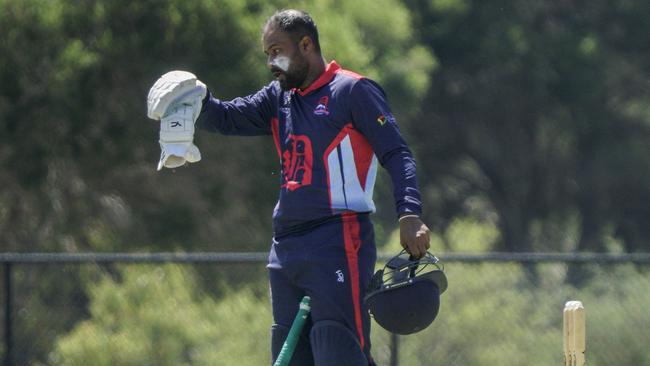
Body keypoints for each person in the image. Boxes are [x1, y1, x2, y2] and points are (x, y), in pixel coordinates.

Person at [150, 9, 431, 366]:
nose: (270, 62)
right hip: (285, 248)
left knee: (340, 353)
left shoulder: (353, 91)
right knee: (291, 357)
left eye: (276, 50)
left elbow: (396, 152)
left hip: (337, 240)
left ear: (306, 45)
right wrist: (196, 100)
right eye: (266, 53)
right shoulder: (278, 97)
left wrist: (409, 212)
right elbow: (227, 117)